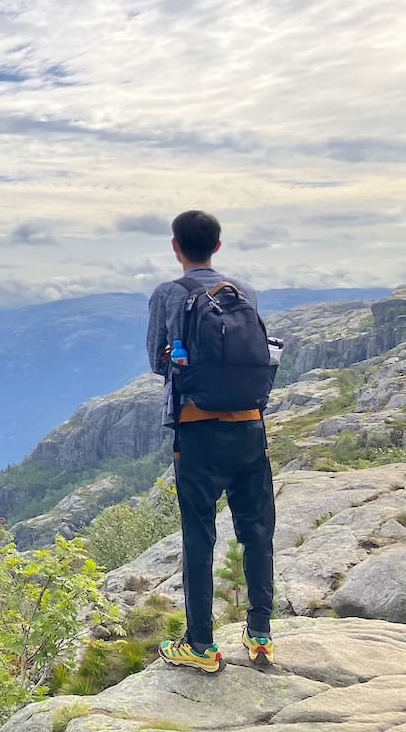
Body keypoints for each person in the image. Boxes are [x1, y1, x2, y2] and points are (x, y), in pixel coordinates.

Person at [146, 210, 276, 672]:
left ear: (175, 247)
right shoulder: (246, 292)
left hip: (197, 429)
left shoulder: (169, 294)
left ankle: (201, 645)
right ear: (218, 246)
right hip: (249, 426)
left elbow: (157, 364)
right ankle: (260, 634)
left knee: (199, 534)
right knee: (257, 529)